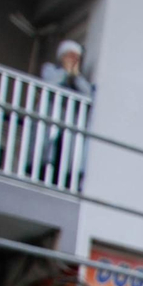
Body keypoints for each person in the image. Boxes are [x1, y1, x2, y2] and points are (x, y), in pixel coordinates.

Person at [37, 39, 94, 189]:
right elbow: (49, 84)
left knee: (67, 156)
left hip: (70, 127)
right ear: (62, 57)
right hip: (52, 121)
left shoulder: (78, 80)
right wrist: (65, 73)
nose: (73, 60)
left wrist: (75, 76)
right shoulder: (50, 69)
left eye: (76, 58)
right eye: (70, 56)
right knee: (47, 152)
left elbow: (88, 94)